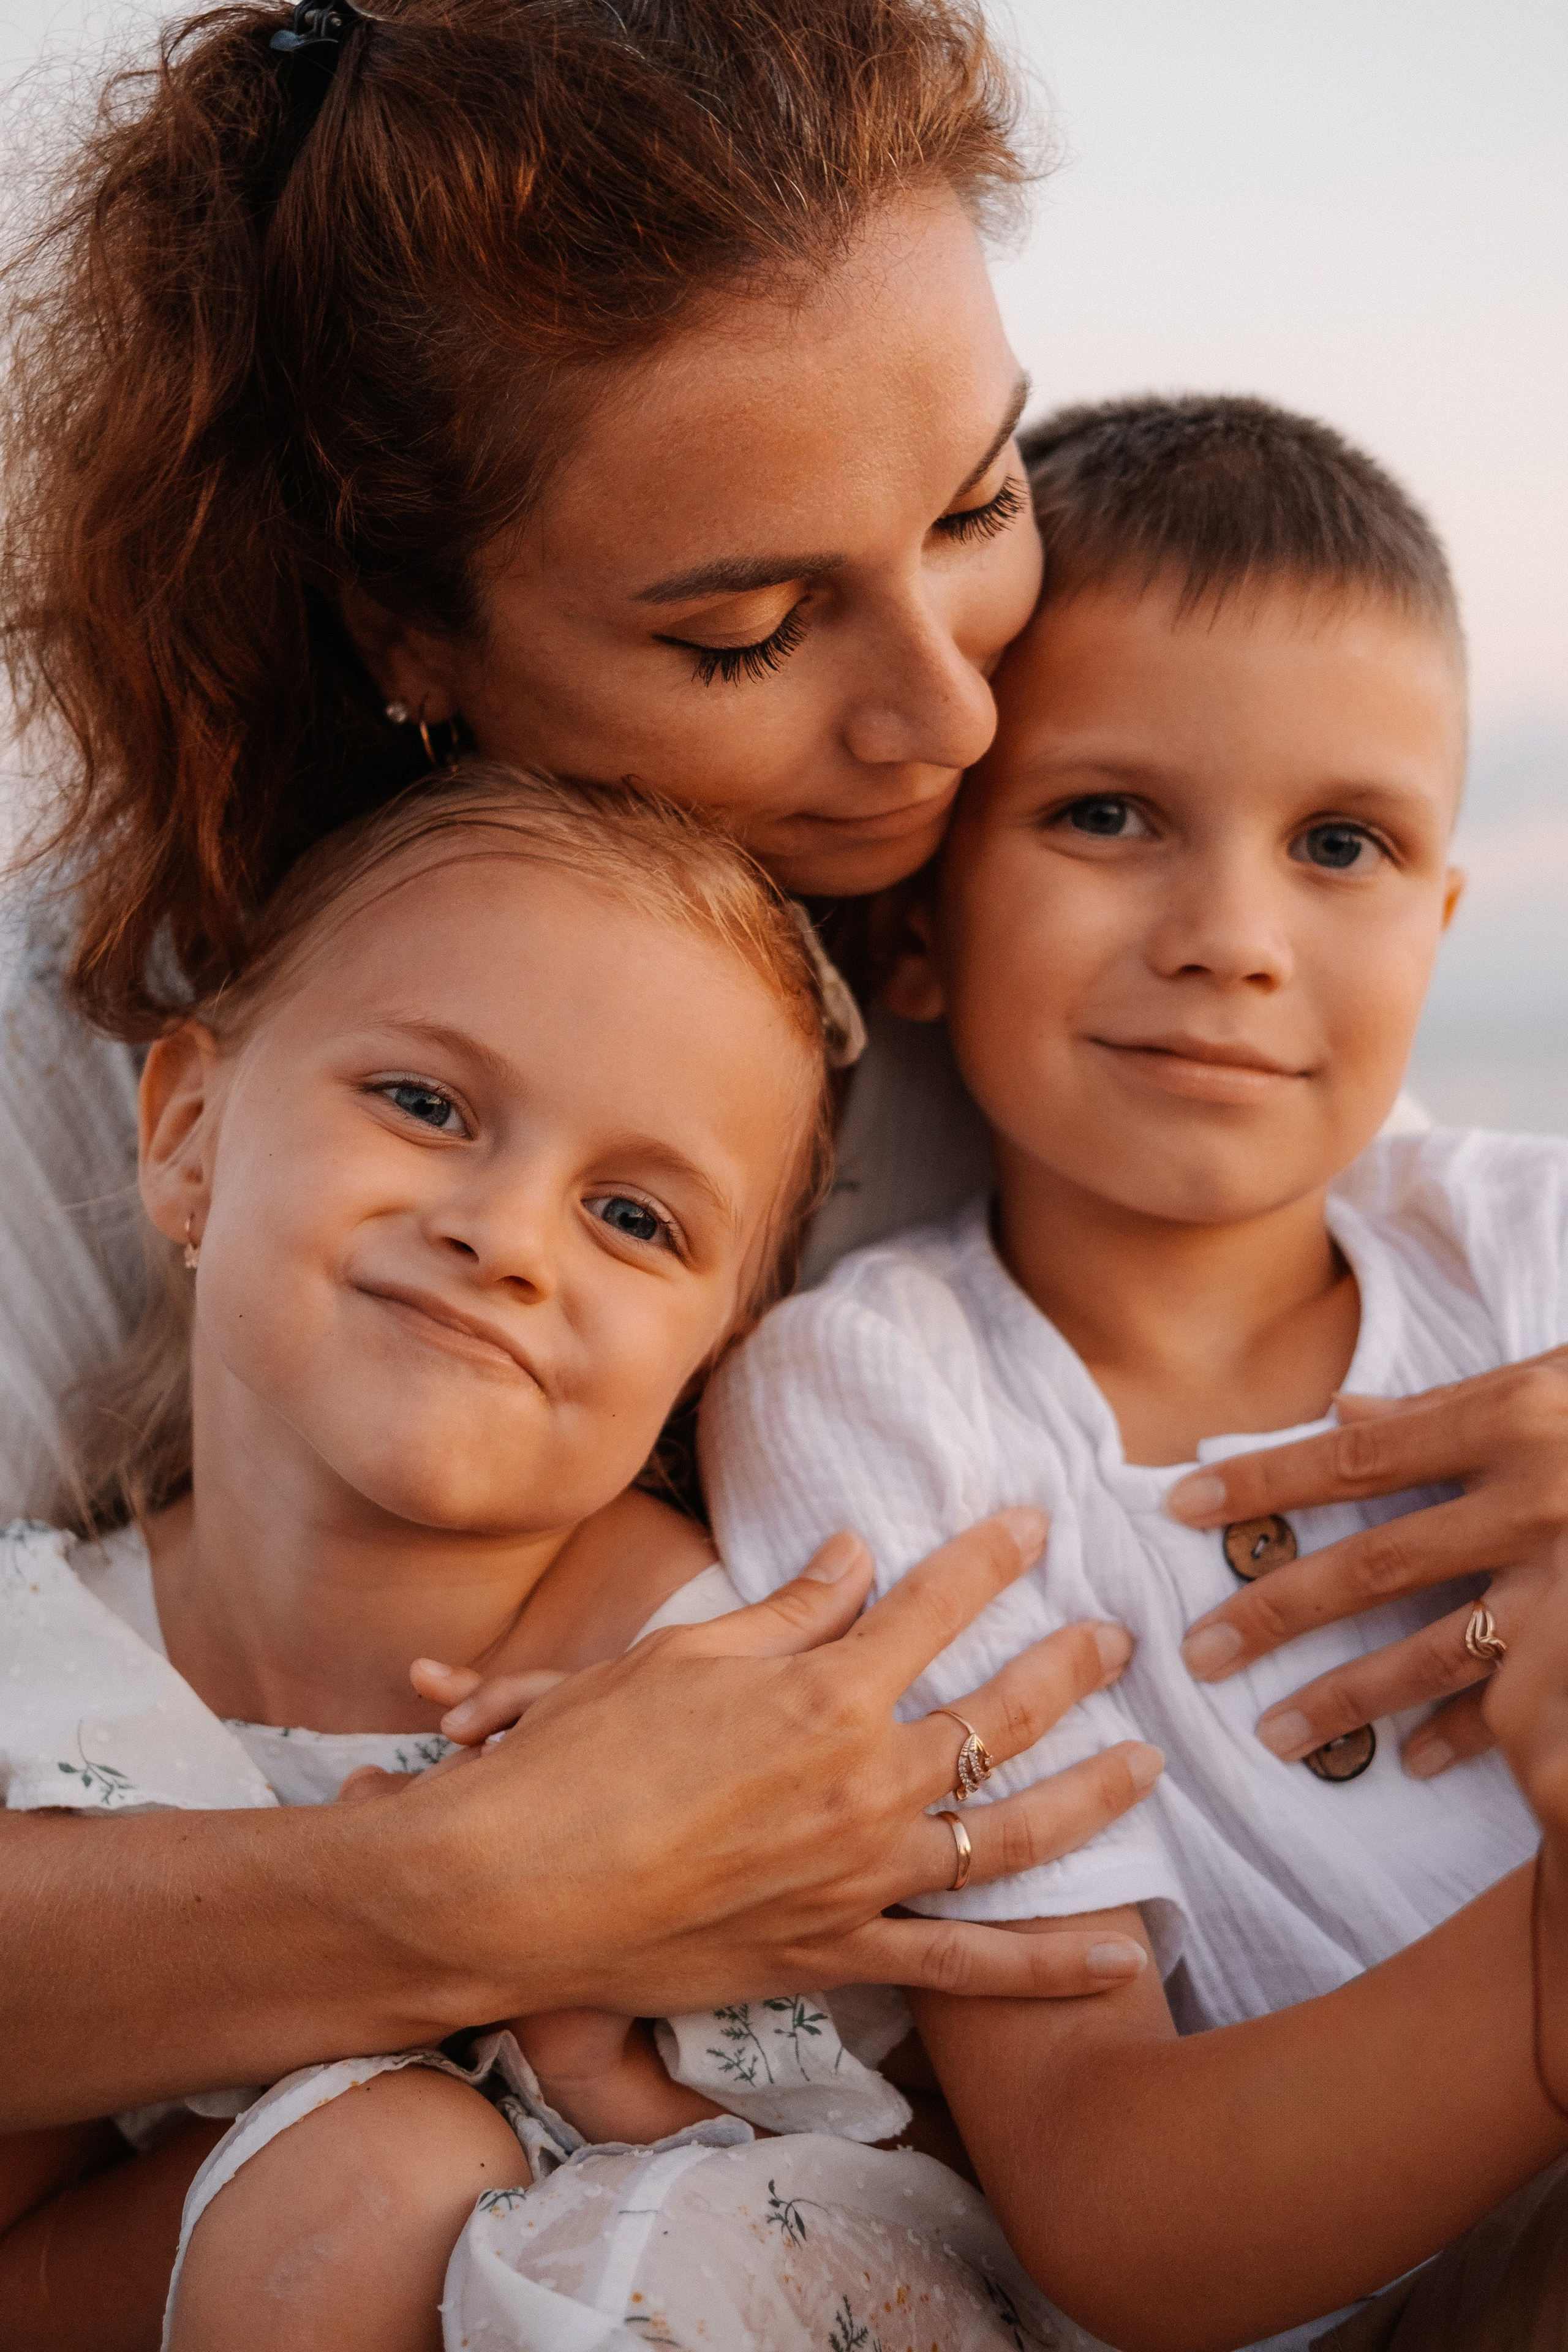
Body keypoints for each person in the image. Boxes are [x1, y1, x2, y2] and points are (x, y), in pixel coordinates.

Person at [1, 0, 1565, 2250]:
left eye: (975, 502)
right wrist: (486, 1890)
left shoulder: (1059, 960)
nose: (952, 707)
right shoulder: (74, 1044)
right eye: (748, 629)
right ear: (399, 625)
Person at [0, 764, 1143, 2350]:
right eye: (424, 1104)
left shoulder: (720, 1675)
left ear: (715, 1347)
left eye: (633, 1217)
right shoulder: (41, 1659)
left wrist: (615, 2087)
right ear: (188, 1130)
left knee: (391, 2169)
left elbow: (940, 2210)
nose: (511, 1236)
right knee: (374, 2165)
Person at [699, 396, 1568, 2350]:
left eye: (1341, 845)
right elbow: (1107, 2199)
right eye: (1109, 816)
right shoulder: (882, 1401)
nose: (1234, 940)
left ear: (1436, 928)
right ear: (918, 923)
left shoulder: (1526, 1245)